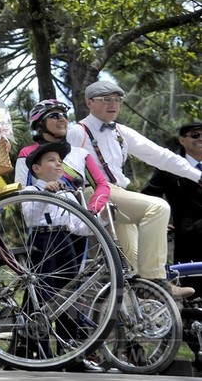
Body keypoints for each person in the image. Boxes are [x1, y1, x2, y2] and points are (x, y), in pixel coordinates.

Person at [65, 80, 200, 299]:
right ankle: (156, 280)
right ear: (89, 102)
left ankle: (138, 308)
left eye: (117, 100)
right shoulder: (77, 132)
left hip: (117, 197)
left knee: (132, 268)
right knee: (157, 207)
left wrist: (198, 175)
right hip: (96, 193)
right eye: (106, 99)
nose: (113, 104)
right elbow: (68, 172)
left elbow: (160, 156)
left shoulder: (121, 131)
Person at [19, 143, 104, 372]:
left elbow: (79, 226)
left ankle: (70, 352)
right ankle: (40, 349)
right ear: (36, 168)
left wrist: (100, 221)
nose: (58, 163)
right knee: (43, 294)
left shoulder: (68, 193)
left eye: (60, 160)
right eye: (51, 160)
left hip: (65, 242)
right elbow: (30, 216)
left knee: (70, 295)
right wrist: (47, 193)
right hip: (42, 241)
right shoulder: (30, 191)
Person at [14, 99, 110, 215]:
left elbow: (102, 185)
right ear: (40, 124)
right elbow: (21, 193)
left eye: (64, 115)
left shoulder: (81, 154)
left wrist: (91, 210)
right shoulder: (27, 153)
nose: (62, 119)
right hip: (43, 222)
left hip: (79, 220)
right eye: (54, 115)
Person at [142, 121, 202, 296]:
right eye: (195, 135)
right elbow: (149, 195)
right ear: (182, 140)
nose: (200, 139)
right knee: (191, 289)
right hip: (188, 237)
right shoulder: (169, 166)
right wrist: (159, 220)